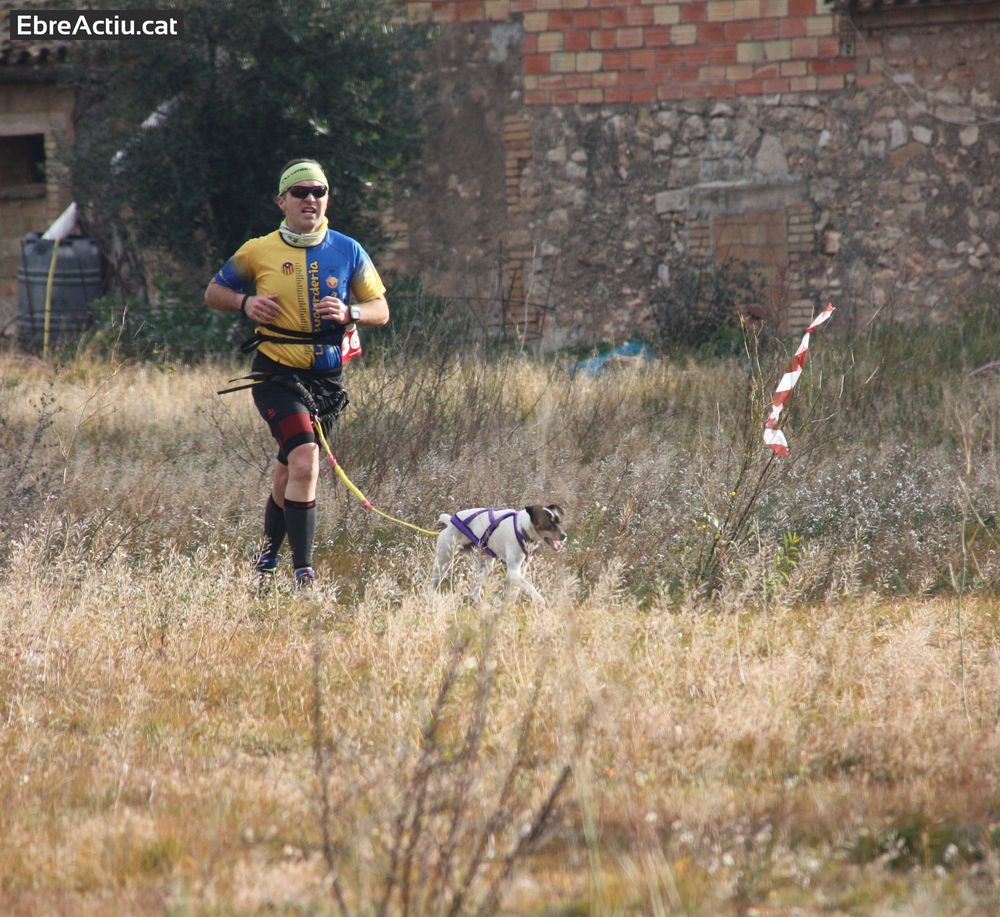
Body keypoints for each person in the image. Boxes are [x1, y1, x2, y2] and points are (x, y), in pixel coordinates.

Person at [206, 158, 389, 588]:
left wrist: (351, 312)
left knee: (290, 471)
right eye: (300, 192)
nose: (310, 199)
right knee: (306, 457)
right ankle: (304, 573)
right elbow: (214, 291)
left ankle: (265, 561)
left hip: (327, 382)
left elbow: (381, 309)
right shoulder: (258, 250)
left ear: (327, 200)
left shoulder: (348, 250)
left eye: (318, 192)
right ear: (282, 202)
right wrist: (246, 303)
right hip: (277, 375)